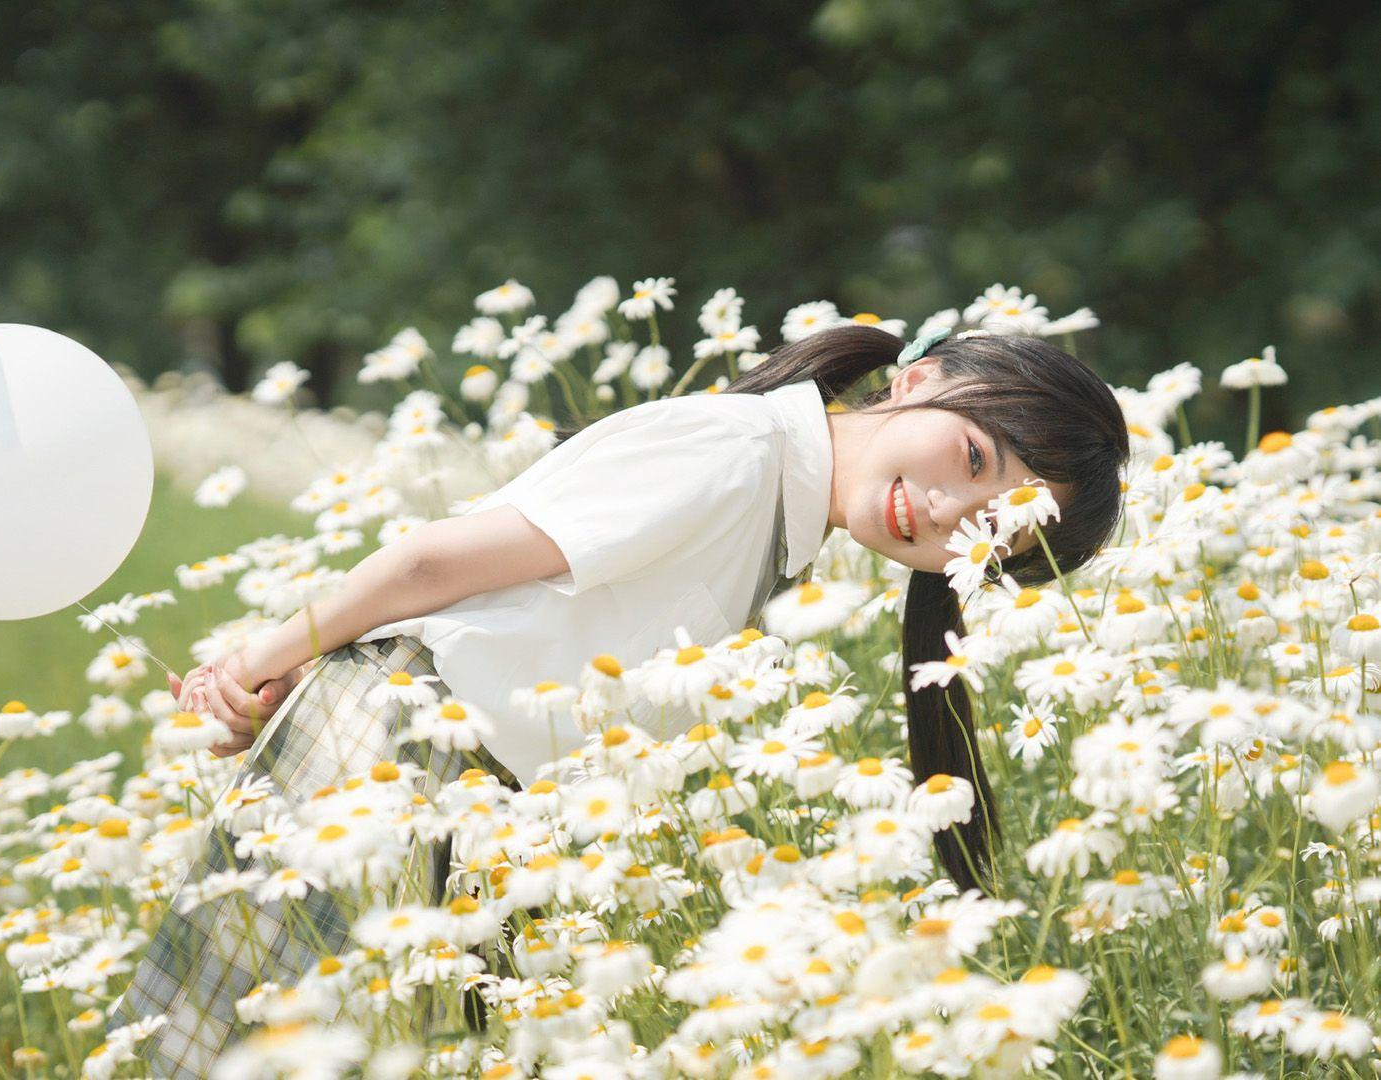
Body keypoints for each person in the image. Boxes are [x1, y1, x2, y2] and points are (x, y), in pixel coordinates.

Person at [107, 323, 1129, 1075]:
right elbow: (435, 563)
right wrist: (262, 658)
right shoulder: (737, 455)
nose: (946, 512)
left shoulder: (779, 523)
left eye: (990, 532)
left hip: (454, 797)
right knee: (248, 1051)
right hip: (392, 752)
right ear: (921, 379)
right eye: (974, 458)